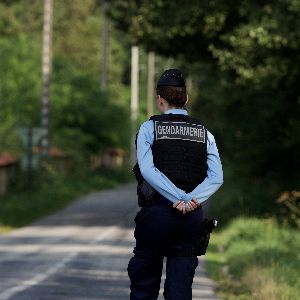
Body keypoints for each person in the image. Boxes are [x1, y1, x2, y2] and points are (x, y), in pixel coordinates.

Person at [128, 69, 223, 300]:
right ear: (186, 99)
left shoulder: (149, 128)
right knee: (180, 290)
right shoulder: (205, 133)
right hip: (190, 217)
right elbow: (216, 177)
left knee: (144, 286)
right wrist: (191, 201)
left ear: (160, 99)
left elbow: (148, 170)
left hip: (156, 214)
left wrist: (177, 197)